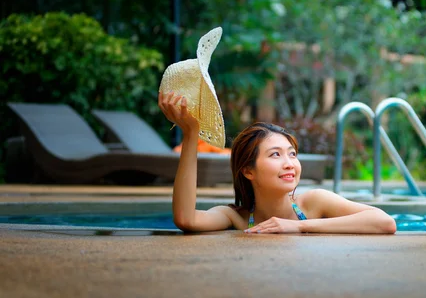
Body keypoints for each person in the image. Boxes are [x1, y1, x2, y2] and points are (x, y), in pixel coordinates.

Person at [158, 91, 397, 234]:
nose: (289, 163)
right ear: (248, 171)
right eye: (276, 155)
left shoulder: (314, 203)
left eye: (292, 154)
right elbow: (186, 219)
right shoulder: (237, 217)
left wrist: (299, 227)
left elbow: (385, 222)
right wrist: (190, 135)